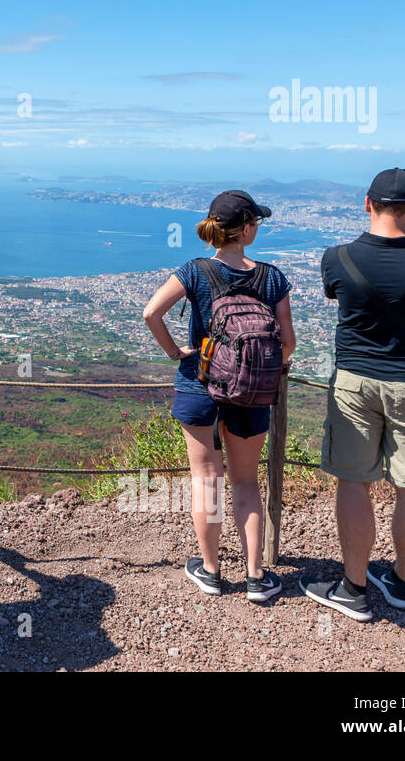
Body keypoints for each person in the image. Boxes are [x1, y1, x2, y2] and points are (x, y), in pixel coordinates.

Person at [301, 168, 405, 623]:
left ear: (366, 204)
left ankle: (353, 588)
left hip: (354, 380)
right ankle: (402, 583)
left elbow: (336, 294)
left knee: (354, 480)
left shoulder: (338, 257)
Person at [143, 190, 295, 603]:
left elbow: (151, 313)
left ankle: (210, 571)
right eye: (256, 223)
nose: (258, 228)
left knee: (206, 481)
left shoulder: (194, 271)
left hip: (200, 386)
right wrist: (261, 372)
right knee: (246, 482)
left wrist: (177, 353)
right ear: (245, 229)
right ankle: (256, 577)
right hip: (253, 394)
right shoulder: (272, 276)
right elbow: (288, 342)